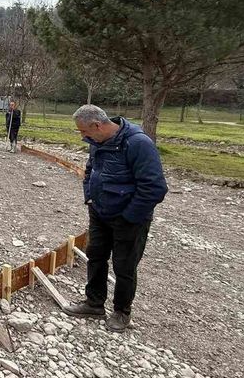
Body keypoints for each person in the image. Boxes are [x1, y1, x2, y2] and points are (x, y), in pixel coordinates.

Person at [64, 105, 168, 332]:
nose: (83, 136)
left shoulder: (138, 143)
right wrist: (90, 198)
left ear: (97, 125)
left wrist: (130, 216)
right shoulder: (97, 142)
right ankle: (94, 303)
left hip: (129, 218)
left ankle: (122, 312)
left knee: (125, 265)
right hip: (100, 212)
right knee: (96, 257)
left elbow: (155, 188)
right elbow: (90, 171)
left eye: (84, 131)